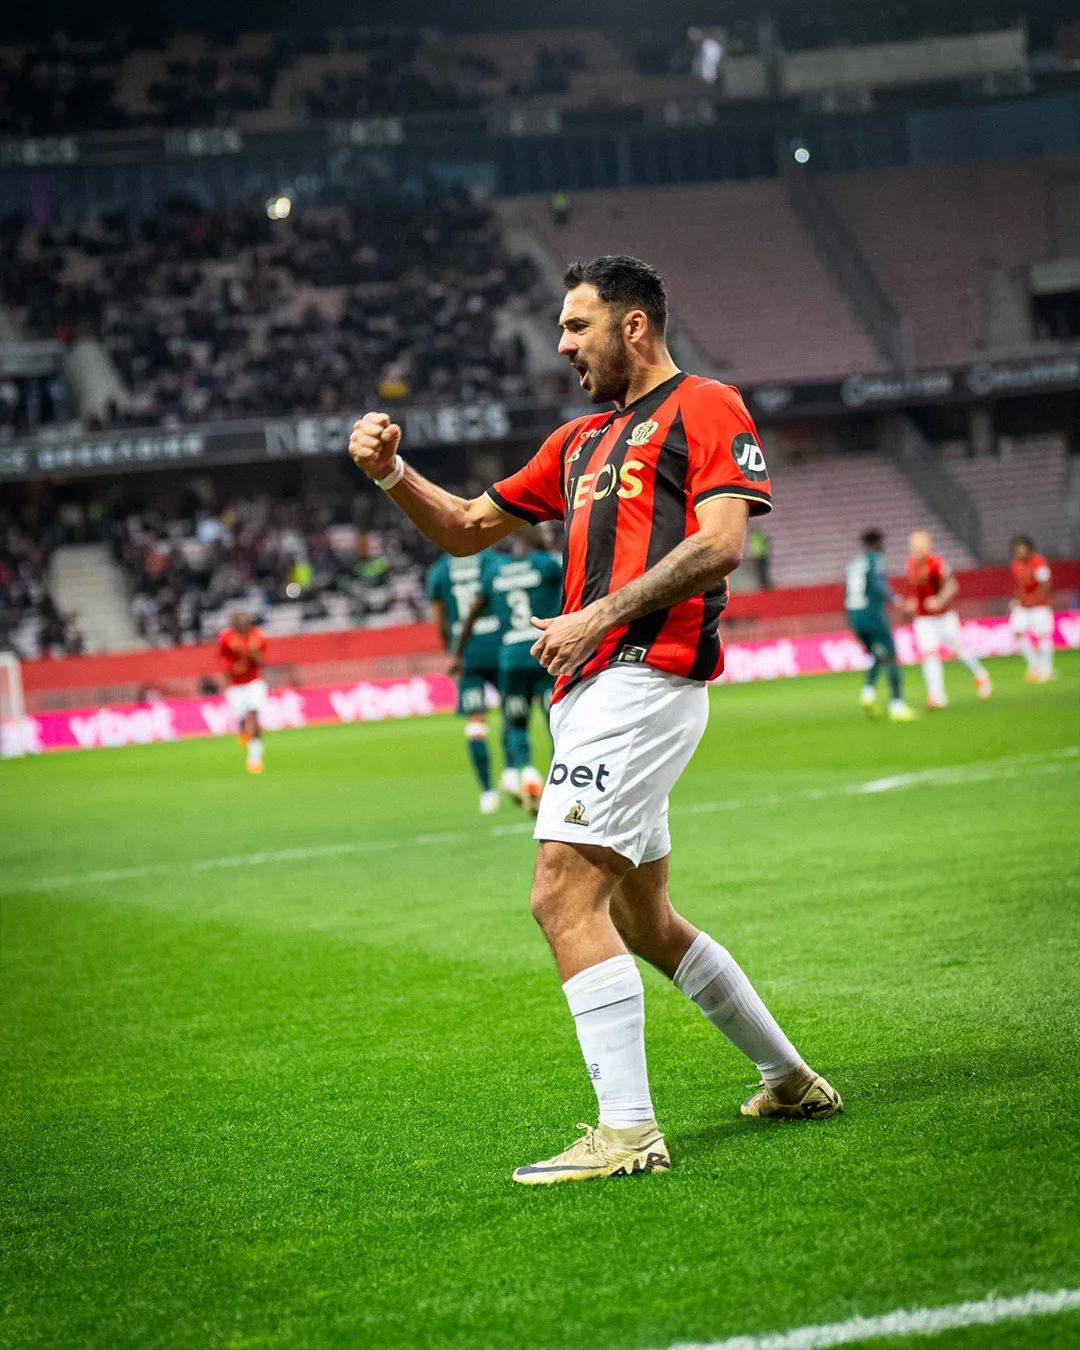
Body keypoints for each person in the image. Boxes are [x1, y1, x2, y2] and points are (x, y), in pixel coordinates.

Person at [348, 254, 841, 1186]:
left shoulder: (706, 406)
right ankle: (789, 1080)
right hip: (591, 693)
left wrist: (598, 616)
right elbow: (464, 526)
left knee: (561, 897)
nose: (563, 345)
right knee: (646, 920)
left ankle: (628, 1132)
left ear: (633, 326)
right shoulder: (576, 444)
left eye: (577, 326)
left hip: (642, 679)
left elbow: (722, 544)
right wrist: (392, 474)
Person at [455, 527, 563, 812]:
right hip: (546, 653)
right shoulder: (548, 564)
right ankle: (559, 783)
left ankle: (525, 771)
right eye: (543, 531)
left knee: (515, 721)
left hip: (511, 658)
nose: (548, 536)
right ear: (529, 535)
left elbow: (473, 613)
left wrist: (458, 651)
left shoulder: (495, 572)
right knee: (557, 720)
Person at [427, 550, 504, 814]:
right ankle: (516, 771)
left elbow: (439, 620)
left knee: (475, 724)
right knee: (514, 714)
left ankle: (487, 793)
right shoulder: (492, 562)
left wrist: (452, 652)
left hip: (468, 654)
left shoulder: (439, 571)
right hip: (499, 647)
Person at [904, 530, 992, 709]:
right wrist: (912, 602)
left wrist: (939, 600)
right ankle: (937, 697)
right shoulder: (910, 564)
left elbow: (952, 585)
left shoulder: (936, 563)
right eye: (913, 546)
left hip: (943, 617)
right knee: (929, 654)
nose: (916, 549)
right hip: (923, 619)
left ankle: (980, 674)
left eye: (919, 545)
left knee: (958, 650)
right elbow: (915, 590)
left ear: (928, 545)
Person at [844, 529, 915, 722]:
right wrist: (897, 600)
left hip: (855, 616)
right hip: (873, 615)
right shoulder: (875, 559)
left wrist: (851, 623)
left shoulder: (853, 564)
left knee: (878, 655)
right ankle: (897, 706)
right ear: (877, 543)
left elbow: (847, 594)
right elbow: (877, 583)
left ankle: (868, 693)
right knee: (891, 657)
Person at [217, 610, 268, 774]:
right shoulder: (226, 638)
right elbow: (221, 660)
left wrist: (253, 653)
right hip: (236, 686)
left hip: (254, 682)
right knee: (242, 719)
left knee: (253, 716)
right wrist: (233, 669)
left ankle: (254, 759)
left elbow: (262, 660)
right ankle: (242, 730)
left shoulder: (257, 636)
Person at [1009, 535, 1054, 682]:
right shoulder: (1015, 564)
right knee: (1017, 633)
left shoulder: (1038, 562)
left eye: (1023, 550)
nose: (1020, 553)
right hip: (1023, 606)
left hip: (1040, 606)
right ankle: (1034, 664)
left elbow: (1046, 583)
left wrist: (1036, 599)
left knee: (1043, 636)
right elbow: (1020, 586)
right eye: (1018, 551)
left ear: (1029, 549)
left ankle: (1046, 668)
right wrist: (1016, 599)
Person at [748, 525, 772, 590]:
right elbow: (767, 540)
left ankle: (765, 585)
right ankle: (765, 585)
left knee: (762, 572)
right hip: (762, 556)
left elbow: (755, 548)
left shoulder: (755, 537)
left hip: (760, 556)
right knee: (762, 572)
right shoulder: (759, 535)